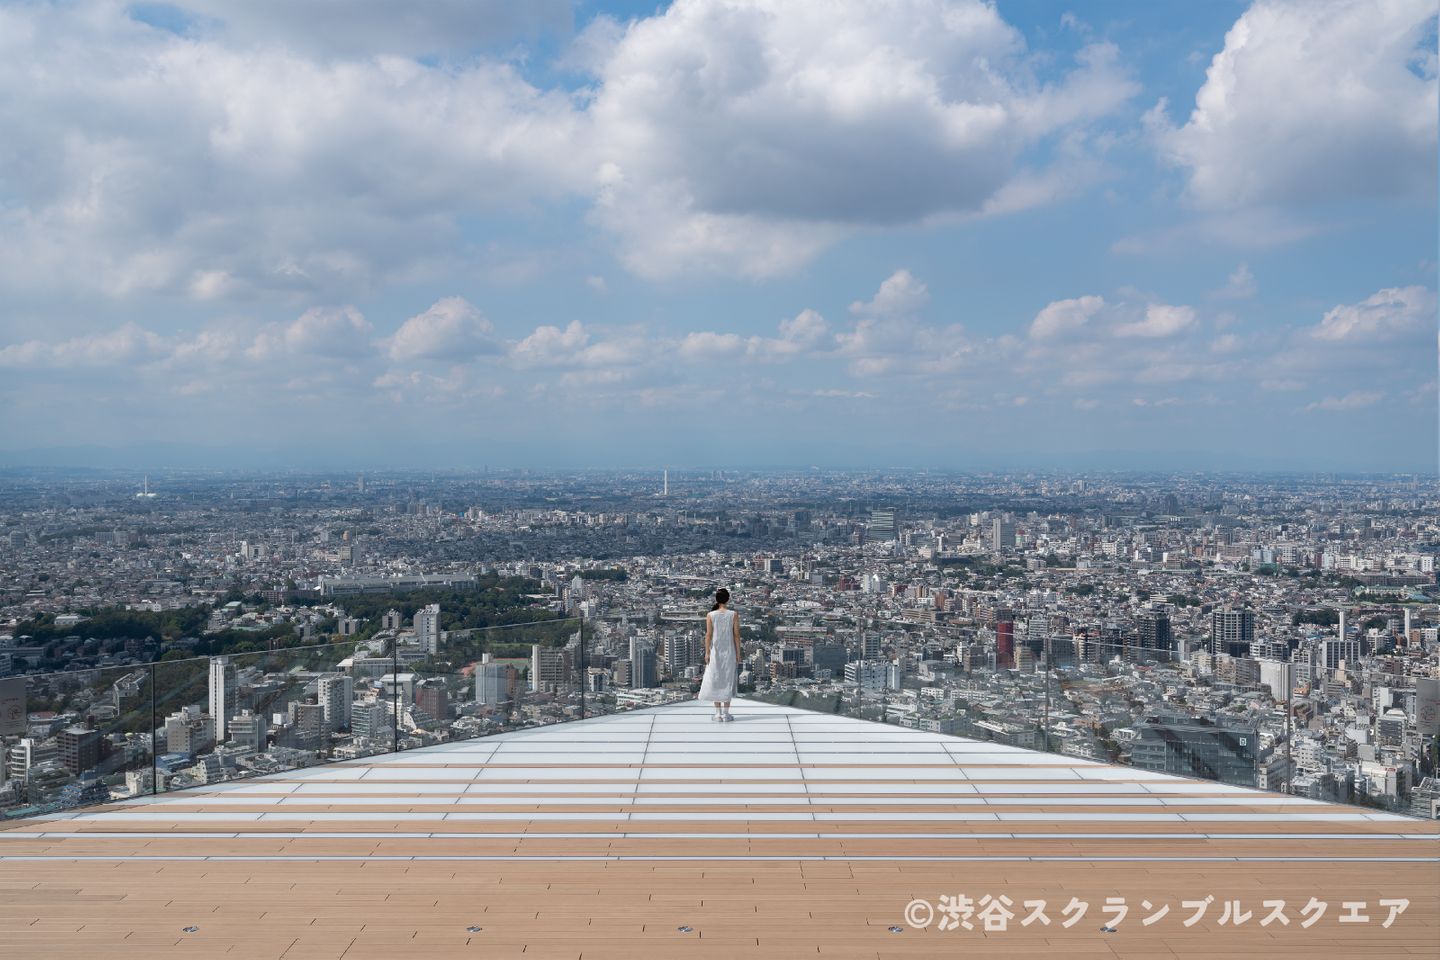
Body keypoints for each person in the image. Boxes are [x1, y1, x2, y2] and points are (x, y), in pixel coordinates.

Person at [697, 587, 740, 721]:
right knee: (727, 680)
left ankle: (717, 713)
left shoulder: (711, 615)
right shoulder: (733, 614)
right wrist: (738, 653)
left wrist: (706, 652)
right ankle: (726, 714)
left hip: (715, 652)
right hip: (730, 652)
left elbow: (708, 636)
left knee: (715, 680)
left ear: (716, 599)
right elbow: (737, 635)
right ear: (728, 599)